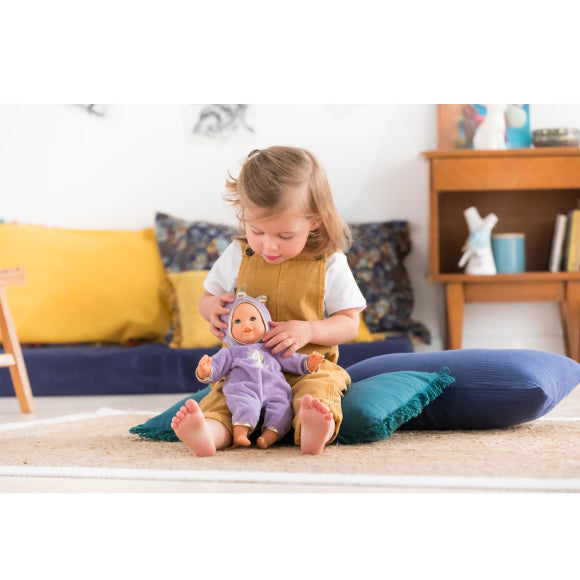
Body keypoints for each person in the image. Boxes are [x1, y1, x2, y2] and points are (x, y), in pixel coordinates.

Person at [171, 145, 366, 456]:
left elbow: (349, 323)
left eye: (284, 236)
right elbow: (207, 298)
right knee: (222, 399)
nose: (268, 246)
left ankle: (314, 428)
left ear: (315, 221)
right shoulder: (238, 255)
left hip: (306, 367)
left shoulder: (329, 263)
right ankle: (207, 433)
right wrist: (212, 309)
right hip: (244, 369)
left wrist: (309, 330)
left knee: (318, 393)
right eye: (257, 230)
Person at [192, 289, 325, 450]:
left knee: (282, 409)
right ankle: (240, 434)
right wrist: (205, 370)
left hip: (275, 389)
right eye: (237, 322)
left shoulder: (273, 348)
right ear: (228, 330)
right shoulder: (231, 352)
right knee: (245, 406)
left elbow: (293, 360)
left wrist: (309, 363)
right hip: (243, 387)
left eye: (253, 319)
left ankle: (268, 437)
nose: (246, 325)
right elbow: (215, 369)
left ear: (265, 322)